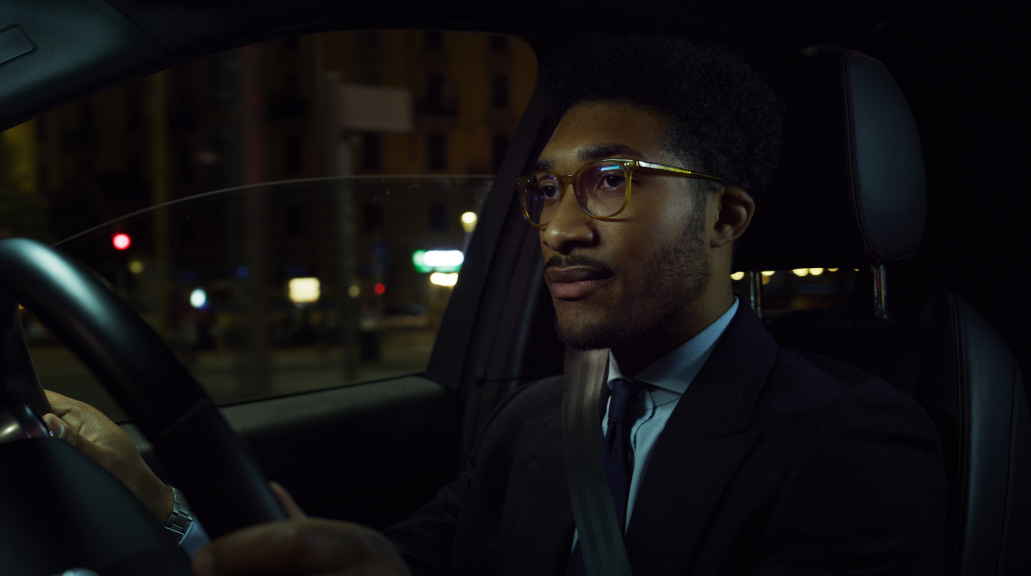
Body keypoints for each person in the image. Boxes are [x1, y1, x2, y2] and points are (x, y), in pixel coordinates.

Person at [43, 34, 946, 575]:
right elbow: (388, 567)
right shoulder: (534, 421)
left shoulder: (852, 439)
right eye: (544, 191)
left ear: (723, 215)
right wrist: (157, 500)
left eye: (607, 181)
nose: (556, 229)